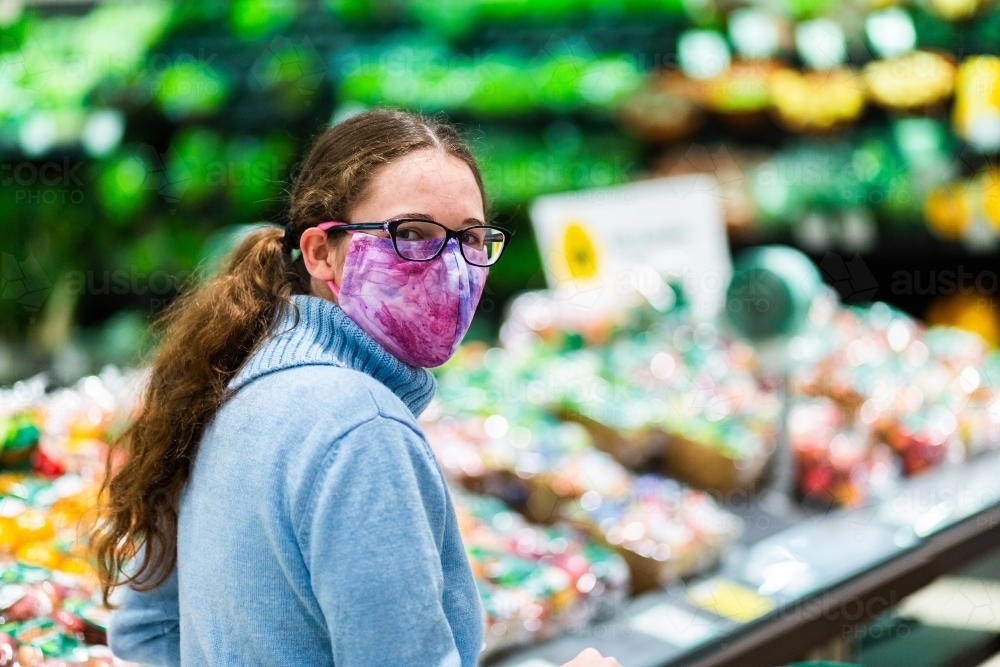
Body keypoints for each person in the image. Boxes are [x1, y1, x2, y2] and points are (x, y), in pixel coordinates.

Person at [95, 108, 621, 667]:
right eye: (412, 234)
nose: (451, 266)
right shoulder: (362, 426)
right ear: (323, 253)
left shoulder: (227, 378)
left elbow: (146, 633)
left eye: (472, 238)